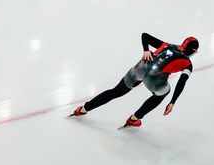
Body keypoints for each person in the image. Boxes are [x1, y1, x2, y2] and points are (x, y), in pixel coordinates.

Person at [69, 33, 199, 128]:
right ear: (193, 51)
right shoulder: (188, 64)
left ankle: (84, 109)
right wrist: (172, 102)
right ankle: (135, 118)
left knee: (116, 91)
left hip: (141, 67)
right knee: (163, 93)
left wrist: (146, 50)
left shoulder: (168, 45)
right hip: (155, 79)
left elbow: (145, 35)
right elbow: (181, 82)